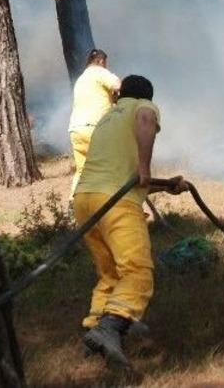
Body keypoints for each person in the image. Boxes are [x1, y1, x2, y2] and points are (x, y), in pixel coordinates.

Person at [73, 74, 188, 367]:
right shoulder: (143, 106)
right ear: (146, 96)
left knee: (110, 272)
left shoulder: (108, 117)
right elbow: (147, 121)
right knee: (137, 270)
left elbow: (124, 173)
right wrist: (145, 166)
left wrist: (166, 185)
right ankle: (110, 329)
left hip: (85, 200)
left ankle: (93, 332)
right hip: (115, 202)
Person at [68, 49, 120, 196]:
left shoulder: (82, 79)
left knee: (82, 171)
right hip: (95, 128)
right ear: (101, 61)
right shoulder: (99, 71)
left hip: (76, 130)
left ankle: (73, 204)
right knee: (110, 166)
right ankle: (113, 203)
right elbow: (118, 85)